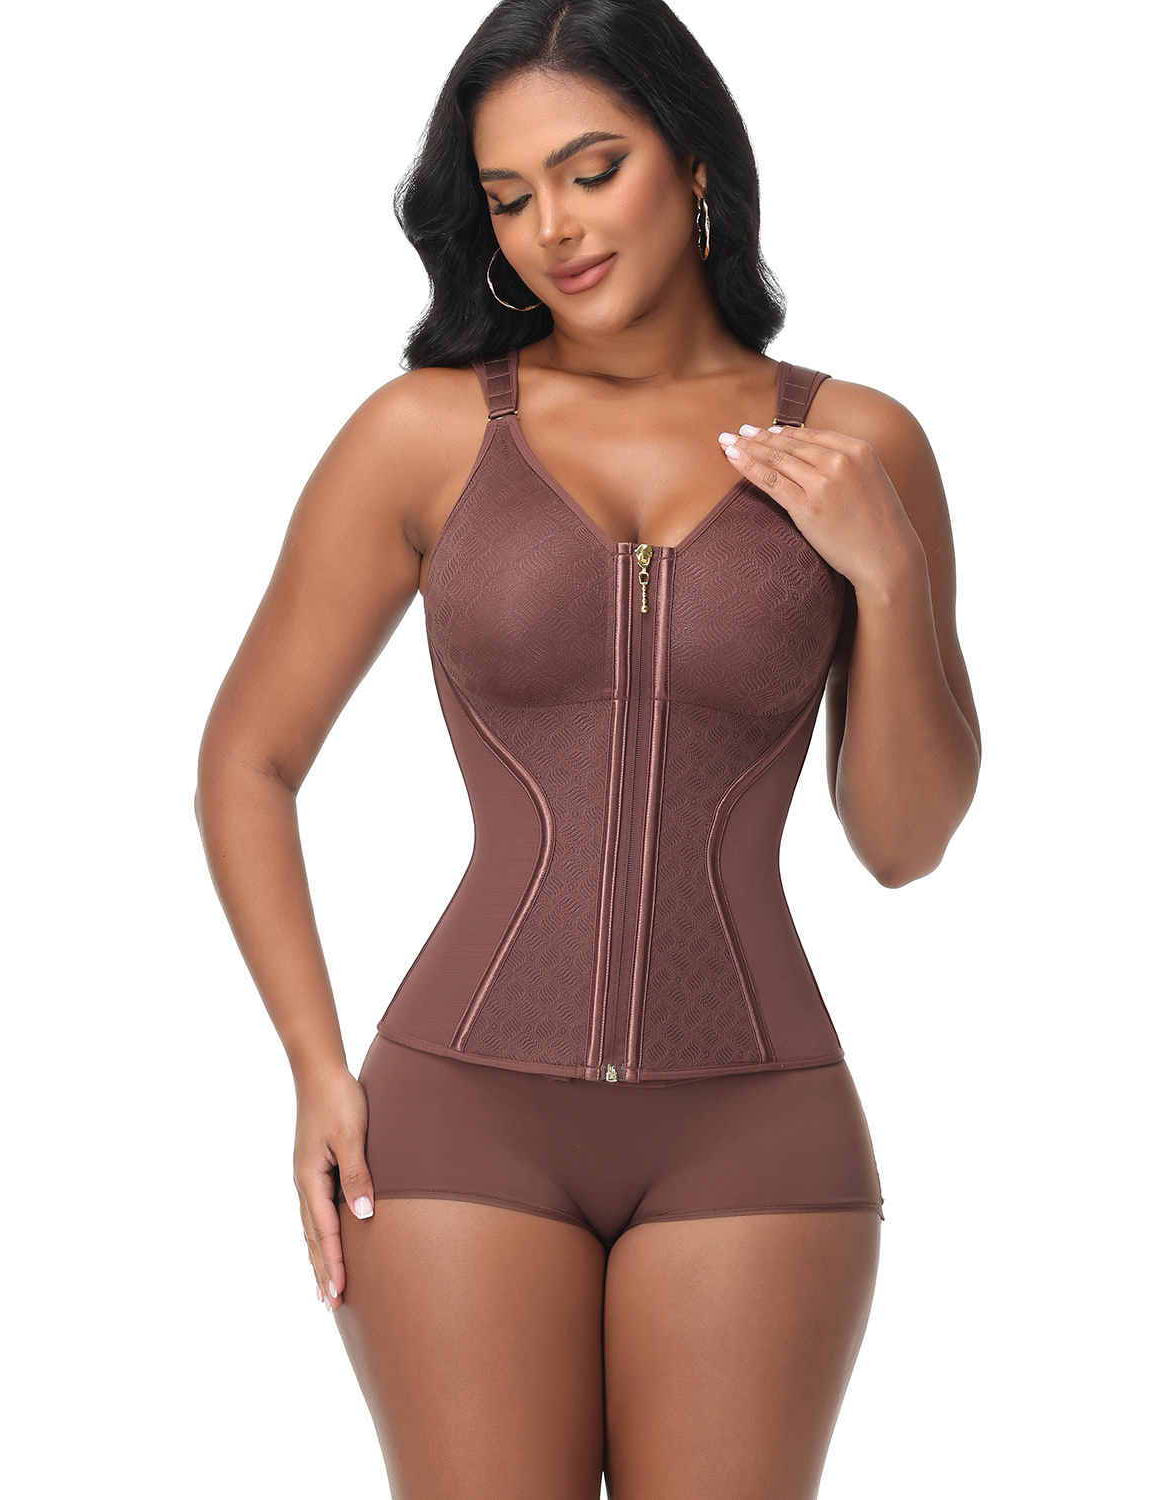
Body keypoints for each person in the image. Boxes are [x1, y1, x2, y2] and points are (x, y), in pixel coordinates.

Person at [194, 1, 980, 1494]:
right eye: (508, 197)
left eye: (591, 169)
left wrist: (887, 574)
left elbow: (903, 842)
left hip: (758, 1129)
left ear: (696, 161)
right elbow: (248, 761)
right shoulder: (426, 433)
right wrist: (314, 1069)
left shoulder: (859, 444)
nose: (552, 227)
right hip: (456, 1123)